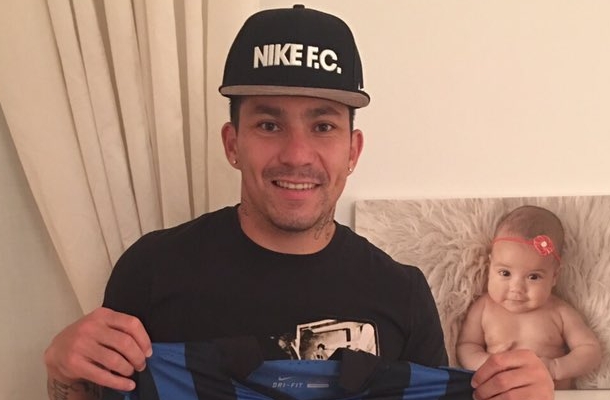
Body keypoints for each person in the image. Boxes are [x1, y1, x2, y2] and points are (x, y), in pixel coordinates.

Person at [44, 5, 555, 400]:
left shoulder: (403, 293)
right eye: (269, 124)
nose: (296, 154)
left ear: (352, 150)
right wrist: (65, 376)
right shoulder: (152, 270)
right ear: (232, 143)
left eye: (323, 125)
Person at [457, 205, 602, 389]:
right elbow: (466, 346)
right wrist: (488, 364)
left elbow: (590, 351)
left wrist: (556, 367)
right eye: (505, 273)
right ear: (490, 265)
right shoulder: (484, 307)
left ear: (554, 276)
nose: (517, 288)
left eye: (533, 277)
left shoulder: (559, 311)